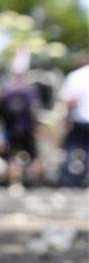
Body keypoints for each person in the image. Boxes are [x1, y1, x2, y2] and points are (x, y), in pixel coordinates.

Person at [0, 72, 41, 185]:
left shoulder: (6, 93)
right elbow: (34, 111)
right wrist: (36, 127)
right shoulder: (29, 92)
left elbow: (2, 114)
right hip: (28, 129)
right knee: (34, 155)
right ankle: (36, 181)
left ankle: (15, 182)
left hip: (12, 129)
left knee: (13, 157)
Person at [59, 58, 89, 187]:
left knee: (70, 148)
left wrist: (66, 117)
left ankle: (67, 178)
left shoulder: (75, 76)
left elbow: (70, 101)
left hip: (79, 119)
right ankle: (84, 178)